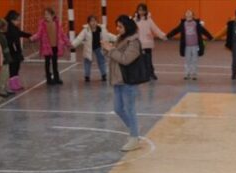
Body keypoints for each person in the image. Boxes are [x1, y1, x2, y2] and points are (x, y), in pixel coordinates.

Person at [104, 15, 144, 152]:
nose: (117, 29)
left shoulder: (134, 42)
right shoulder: (120, 39)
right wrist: (107, 49)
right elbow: (114, 56)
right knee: (118, 108)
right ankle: (135, 130)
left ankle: (134, 138)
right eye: (117, 26)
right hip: (117, 80)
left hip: (128, 80)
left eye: (120, 26)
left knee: (129, 108)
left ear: (127, 26)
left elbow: (126, 59)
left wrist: (111, 50)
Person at [167, 11, 212, 81]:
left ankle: (194, 74)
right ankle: (187, 74)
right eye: (187, 13)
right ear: (185, 16)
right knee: (187, 60)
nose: (188, 14)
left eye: (190, 13)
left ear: (193, 16)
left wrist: (210, 37)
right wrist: (168, 36)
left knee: (194, 60)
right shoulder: (183, 24)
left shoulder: (196, 24)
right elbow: (175, 30)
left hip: (195, 46)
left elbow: (204, 31)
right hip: (187, 46)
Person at [32, 7, 71, 86]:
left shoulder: (57, 23)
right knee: (47, 63)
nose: (46, 16)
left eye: (48, 14)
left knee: (54, 63)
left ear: (53, 15)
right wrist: (33, 38)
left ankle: (56, 78)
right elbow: (39, 34)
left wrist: (68, 43)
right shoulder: (42, 24)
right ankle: (49, 79)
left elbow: (62, 34)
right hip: (46, 47)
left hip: (55, 47)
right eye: (45, 14)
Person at [72, 15, 115, 83]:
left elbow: (109, 35)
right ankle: (87, 76)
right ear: (88, 23)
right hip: (88, 48)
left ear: (97, 22)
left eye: (95, 21)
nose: (93, 22)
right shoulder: (85, 30)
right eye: (91, 21)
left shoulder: (101, 29)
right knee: (87, 62)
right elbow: (79, 38)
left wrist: (117, 38)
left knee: (102, 61)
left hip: (98, 47)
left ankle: (104, 75)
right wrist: (72, 44)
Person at [134, 4, 168, 81]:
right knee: (140, 60)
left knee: (148, 60)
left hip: (148, 44)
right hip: (138, 44)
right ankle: (143, 75)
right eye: (139, 10)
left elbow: (155, 29)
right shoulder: (135, 20)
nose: (141, 11)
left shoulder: (149, 20)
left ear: (145, 11)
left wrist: (163, 36)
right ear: (137, 11)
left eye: (143, 10)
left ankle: (151, 73)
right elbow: (131, 30)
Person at [4, 10, 32, 92]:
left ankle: (16, 82)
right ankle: (12, 84)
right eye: (17, 20)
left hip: (17, 51)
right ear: (12, 20)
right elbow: (10, 40)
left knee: (17, 67)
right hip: (12, 52)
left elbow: (20, 33)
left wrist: (29, 35)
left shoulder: (15, 28)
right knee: (13, 68)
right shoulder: (8, 29)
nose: (19, 22)